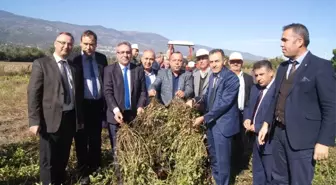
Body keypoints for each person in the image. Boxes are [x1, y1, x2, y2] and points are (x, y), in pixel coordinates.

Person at [258, 23, 336, 185]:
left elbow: (331, 106)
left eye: (284, 40)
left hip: (303, 140)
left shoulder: (321, 67)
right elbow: (275, 98)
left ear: (299, 41)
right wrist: (266, 123)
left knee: (299, 181)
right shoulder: (282, 67)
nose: (281, 44)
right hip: (278, 134)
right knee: (279, 179)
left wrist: (324, 141)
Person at [27, 32, 84, 185]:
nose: (66, 46)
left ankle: (59, 180)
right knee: (48, 158)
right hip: (49, 119)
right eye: (63, 43)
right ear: (55, 43)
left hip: (70, 117)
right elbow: (33, 93)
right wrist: (34, 120)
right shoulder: (42, 63)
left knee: (63, 154)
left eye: (70, 44)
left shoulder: (74, 67)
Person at [188, 49, 240, 185]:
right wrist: (195, 101)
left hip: (223, 126)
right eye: (211, 62)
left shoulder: (231, 78)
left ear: (224, 61)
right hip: (211, 125)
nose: (214, 64)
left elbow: (224, 104)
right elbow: (206, 97)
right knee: (215, 158)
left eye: (217, 61)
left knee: (223, 161)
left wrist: (204, 118)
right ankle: (218, 181)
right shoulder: (212, 77)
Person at [103, 41, 147, 184]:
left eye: (127, 52)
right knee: (117, 149)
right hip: (116, 117)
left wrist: (140, 106)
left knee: (131, 147)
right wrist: (115, 110)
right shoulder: (109, 70)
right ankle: (120, 178)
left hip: (133, 116)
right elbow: (108, 92)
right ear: (117, 54)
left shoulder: (138, 70)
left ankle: (131, 174)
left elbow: (143, 92)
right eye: (122, 52)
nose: (125, 55)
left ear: (131, 53)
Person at [73, 30, 108, 184]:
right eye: (86, 44)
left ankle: (96, 167)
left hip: (97, 105)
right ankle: (83, 171)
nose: (89, 47)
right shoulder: (74, 60)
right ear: (81, 43)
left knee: (95, 137)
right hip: (82, 105)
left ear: (96, 44)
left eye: (92, 44)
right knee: (81, 138)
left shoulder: (101, 58)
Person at [243, 60, 275, 185]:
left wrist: (256, 127)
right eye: (256, 75)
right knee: (258, 172)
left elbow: (275, 115)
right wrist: (246, 118)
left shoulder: (278, 90)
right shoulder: (255, 89)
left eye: (262, 74)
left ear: (271, 73)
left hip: (270, 139)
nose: (258, 78)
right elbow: (248, 106)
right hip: (255, 138)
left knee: (270, 174)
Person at [228, 51, 254, 170]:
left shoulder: (248, 78)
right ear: (229, 63)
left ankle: (243, 164)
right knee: (231, 139)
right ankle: (232, 163)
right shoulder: (225, 77)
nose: (235, 64)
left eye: (238, 61)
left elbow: (252, 96)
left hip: (244, 113)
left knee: (245, 139)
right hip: (229, 113)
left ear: (242, 63)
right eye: (233, 61)